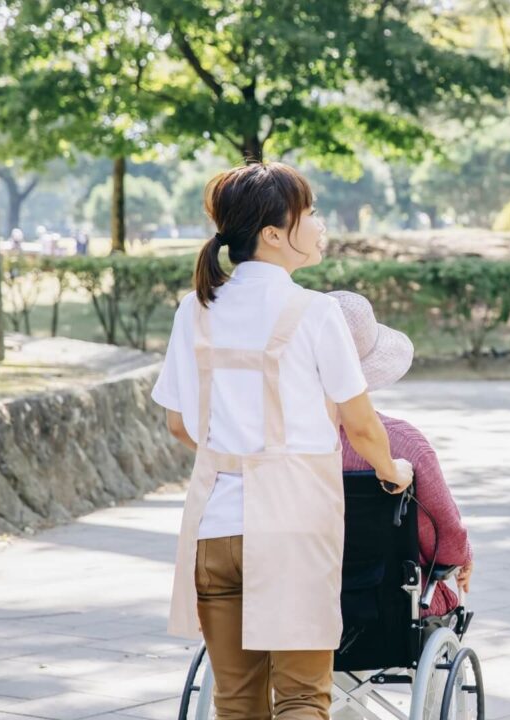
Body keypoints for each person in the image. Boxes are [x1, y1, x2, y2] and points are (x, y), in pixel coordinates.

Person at [151, 161, 415, 720]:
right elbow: (362, 425)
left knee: (237, 702)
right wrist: (392, 470)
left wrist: (233, 453)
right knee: (300, 697)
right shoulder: (316, 312)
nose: (319, 225)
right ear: (274, 234)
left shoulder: (195, 308)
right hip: (294, 526)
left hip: (215, 529)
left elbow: (179, 425)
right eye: (310, 214)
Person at [330, 290, 473, 615]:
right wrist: (463, 557)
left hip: (297, 600)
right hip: (386, 605)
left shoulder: (278, 444)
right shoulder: (404, 444)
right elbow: (445, 540)